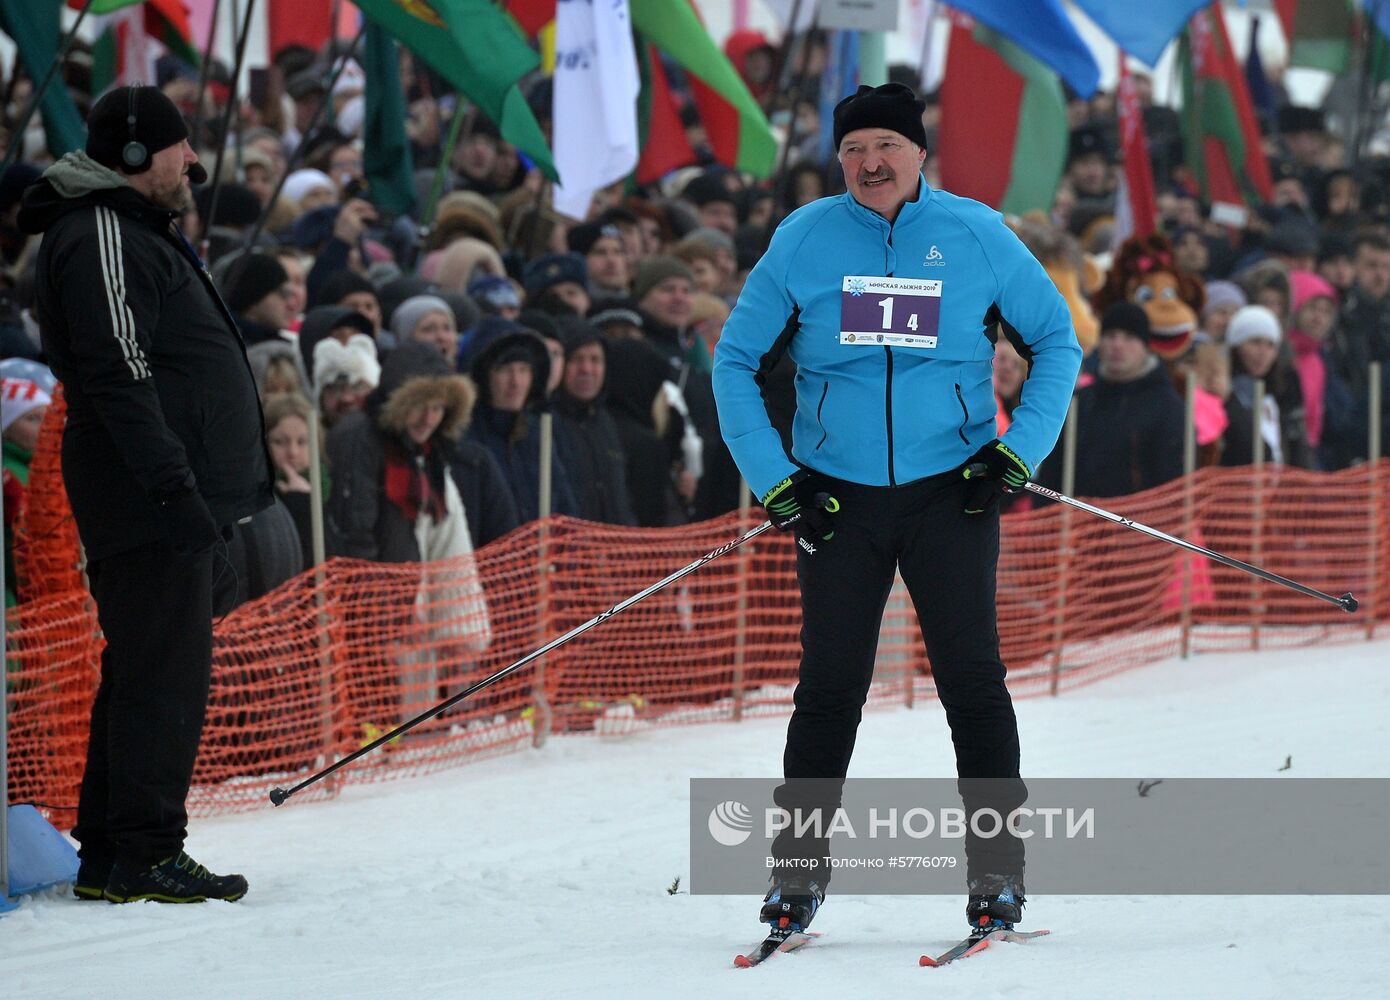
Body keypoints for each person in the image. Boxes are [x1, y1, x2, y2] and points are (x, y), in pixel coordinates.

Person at [711, 83, 1081, 938]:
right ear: (837, 158)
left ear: (920, 154)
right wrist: (777, 479)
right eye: (853, 149)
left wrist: (1016, 453)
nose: (870, 163)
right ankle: (795, 879)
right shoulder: (804, 239)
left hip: (950, 493)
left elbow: (1056, 339)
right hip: (837, 500)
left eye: (886, 146)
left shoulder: (977, 235)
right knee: (830, 691)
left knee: (972, 687)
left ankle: (998, 875)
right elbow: (733, 361)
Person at [17, 84, 273, 903]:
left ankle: (117, 850)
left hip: (165, 493)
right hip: (147, 495)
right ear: (132, 155)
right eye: (178, 146)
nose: (193, 161)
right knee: (165, 678)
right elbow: (120, 374)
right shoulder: (98, 232)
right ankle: (146, 851)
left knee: (149, 671)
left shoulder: (128, 228)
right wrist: (174, 490)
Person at [1034, 304, 1184, 498]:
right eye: (1111, 335)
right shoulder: (1079, 402)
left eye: (1129, 337)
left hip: (1141, 522)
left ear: (1145, 346)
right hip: (1078, 523)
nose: (1117, 345)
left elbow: (1173, 477)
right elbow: (1052, 473)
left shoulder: (1167, 405)